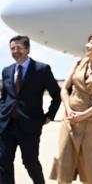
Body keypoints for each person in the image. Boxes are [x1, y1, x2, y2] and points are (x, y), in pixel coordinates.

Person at [50, 33, 92, 184]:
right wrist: (68, 109)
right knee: (63, 161)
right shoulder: (78, 63)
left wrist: (83, 115)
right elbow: (64, 89)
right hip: (70, 118)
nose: (87, 45)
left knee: (90, 166)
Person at [0, 35, 61, 184]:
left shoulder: (42, 69)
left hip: (30, 125)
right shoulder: (6, 71)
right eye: (13, 48)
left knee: (30, 162)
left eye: (19, 48)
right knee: (3, 163)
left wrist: (50, 115)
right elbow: (5, 97)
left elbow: (56, 95)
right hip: (7, 125)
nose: (16, 51)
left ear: (27, 49)